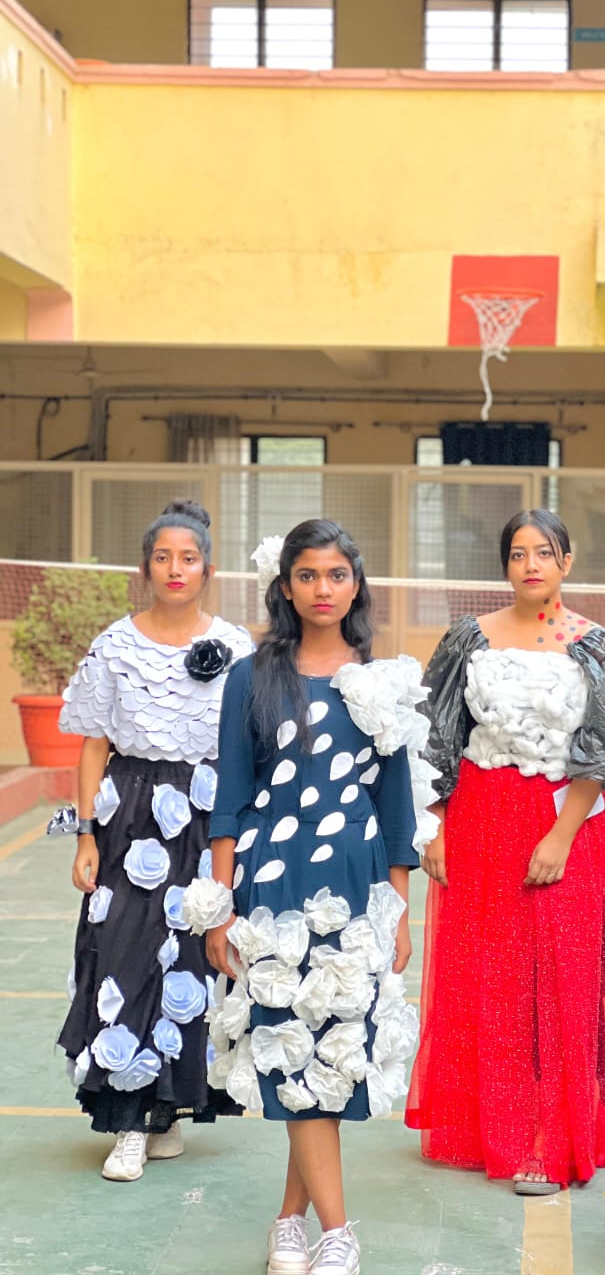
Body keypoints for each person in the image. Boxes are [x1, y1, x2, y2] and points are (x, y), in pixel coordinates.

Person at [186, 519, 428, 1275]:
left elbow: (397, 809)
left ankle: (289, 1222)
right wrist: (220, 905)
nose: (323, 589)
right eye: (308, 575)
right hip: (272, 887)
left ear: (356, 585)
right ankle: (337, 1231)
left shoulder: (382, 681)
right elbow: (229, 798)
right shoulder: (251, 677)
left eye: (337, 575)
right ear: (285, 586)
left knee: (328, 1053)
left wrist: (397, 911)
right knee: (289, 1042)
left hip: (356, 886)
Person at [404, 508, 605, 1193]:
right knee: (491, 975)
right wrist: (435, 826)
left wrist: (561, 836)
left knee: (562, 979)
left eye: (544, 552)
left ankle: (550, 1137)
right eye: (517, 554)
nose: (530, 565)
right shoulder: (468, 638)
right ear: (504, 564)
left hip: (567, 821)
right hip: (480, 817)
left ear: (566, 562)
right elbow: (436, 734)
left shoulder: (596, 645)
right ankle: (491, 1128)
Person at [57, 500, 255, 1182]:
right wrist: (86, 835)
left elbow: (247, 750)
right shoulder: (115, 646)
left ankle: (166, 1110)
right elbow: (93, 747)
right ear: (145, 568)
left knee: (195, 961)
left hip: (207, 821)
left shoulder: (236, 648)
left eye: (188, 558)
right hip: (128, 819)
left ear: (208, 570)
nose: (176, 569)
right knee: (123, 955)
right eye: (163, 557)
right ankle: (128, 1123)